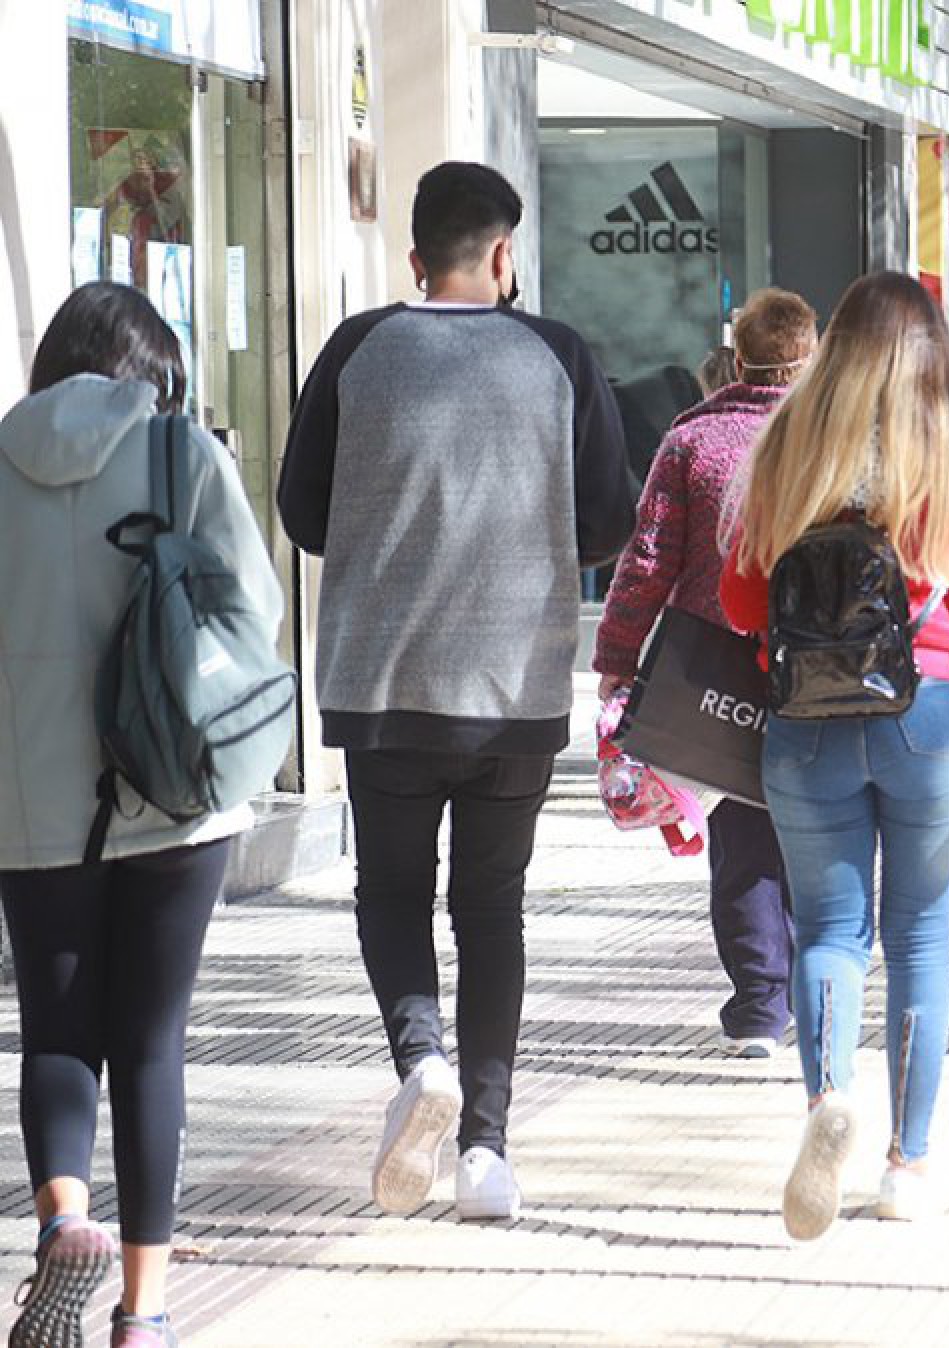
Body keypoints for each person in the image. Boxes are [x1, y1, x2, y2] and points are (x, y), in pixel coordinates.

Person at [278, 161, 636, 1223]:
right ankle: (485, 1151)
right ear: (499, 255)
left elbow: (303, 512)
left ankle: (419, 1056)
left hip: (383, 682)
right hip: (514, 685)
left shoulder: (355, 348)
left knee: (390, 893)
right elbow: (607, 524)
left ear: (413, 258)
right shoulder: (558, 353)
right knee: (491, 910)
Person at [720, 272, 949, 1238]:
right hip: (930, 719)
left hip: (804, 721)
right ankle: (906, 1166)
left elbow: (743, 605)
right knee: (917, 940)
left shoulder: (784, 445)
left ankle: (829, 1100)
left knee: (826, 933)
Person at [0, 284, 284, 1348]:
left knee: (58, 1035)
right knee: (151, 1041)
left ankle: (63, 1217)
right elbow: (250, 614)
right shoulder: (182, 455)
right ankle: (144, 1311)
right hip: (174, 791)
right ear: (146, 370)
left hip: (27, 800)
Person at [595, 289, 819, 1058]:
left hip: (720, 670)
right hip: (832, 671)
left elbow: (645, 560)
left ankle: (761, 1003)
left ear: (739, 357)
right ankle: (820, 991)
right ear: (810, 354)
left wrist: (617, 660)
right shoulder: (838, 437)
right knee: (824, 830)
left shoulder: (694, 442)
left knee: (743, 830)